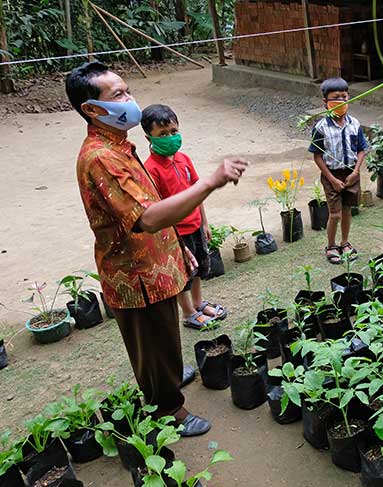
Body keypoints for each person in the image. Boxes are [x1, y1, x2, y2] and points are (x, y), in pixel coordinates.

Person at [66, 61, 247, 435]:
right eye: (118, 94)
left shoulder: (120, 146)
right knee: (150, 344)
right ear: (93, 109)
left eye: (128, 90)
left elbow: (150, 206)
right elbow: (146, 218)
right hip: (136, 276)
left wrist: (178, 248)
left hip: (156, 264)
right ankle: (170, 411)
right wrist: (211, 182)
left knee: (164, 335)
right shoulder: (101, 158)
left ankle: (167, 378)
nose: (130, 99)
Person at [141, 104, 227, 331]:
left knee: (199, 267)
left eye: (173, 131)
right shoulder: (151, 169)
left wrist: (205, 222)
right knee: (183, 273)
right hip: (175, 232)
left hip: (195, 225)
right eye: (162, 134)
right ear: (148, 137)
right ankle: (188, 313)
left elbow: (197, 193)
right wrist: (172, 236)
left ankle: (198, 304)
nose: (170, 137)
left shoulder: (184, 159)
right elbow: (158, 209)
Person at [309, 77, 369, 265]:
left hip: (350, 174)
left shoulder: (355, 124)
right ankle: (331, 245)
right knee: (334, 214)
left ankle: (345, 242)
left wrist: (355, 172)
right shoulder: (320, 128)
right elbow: (317, 156)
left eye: (344, 97)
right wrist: (332, 179)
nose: (341, 102)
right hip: (332, 176)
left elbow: (361, 150)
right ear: (325, 103)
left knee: (347, 210)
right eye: (336, 98)